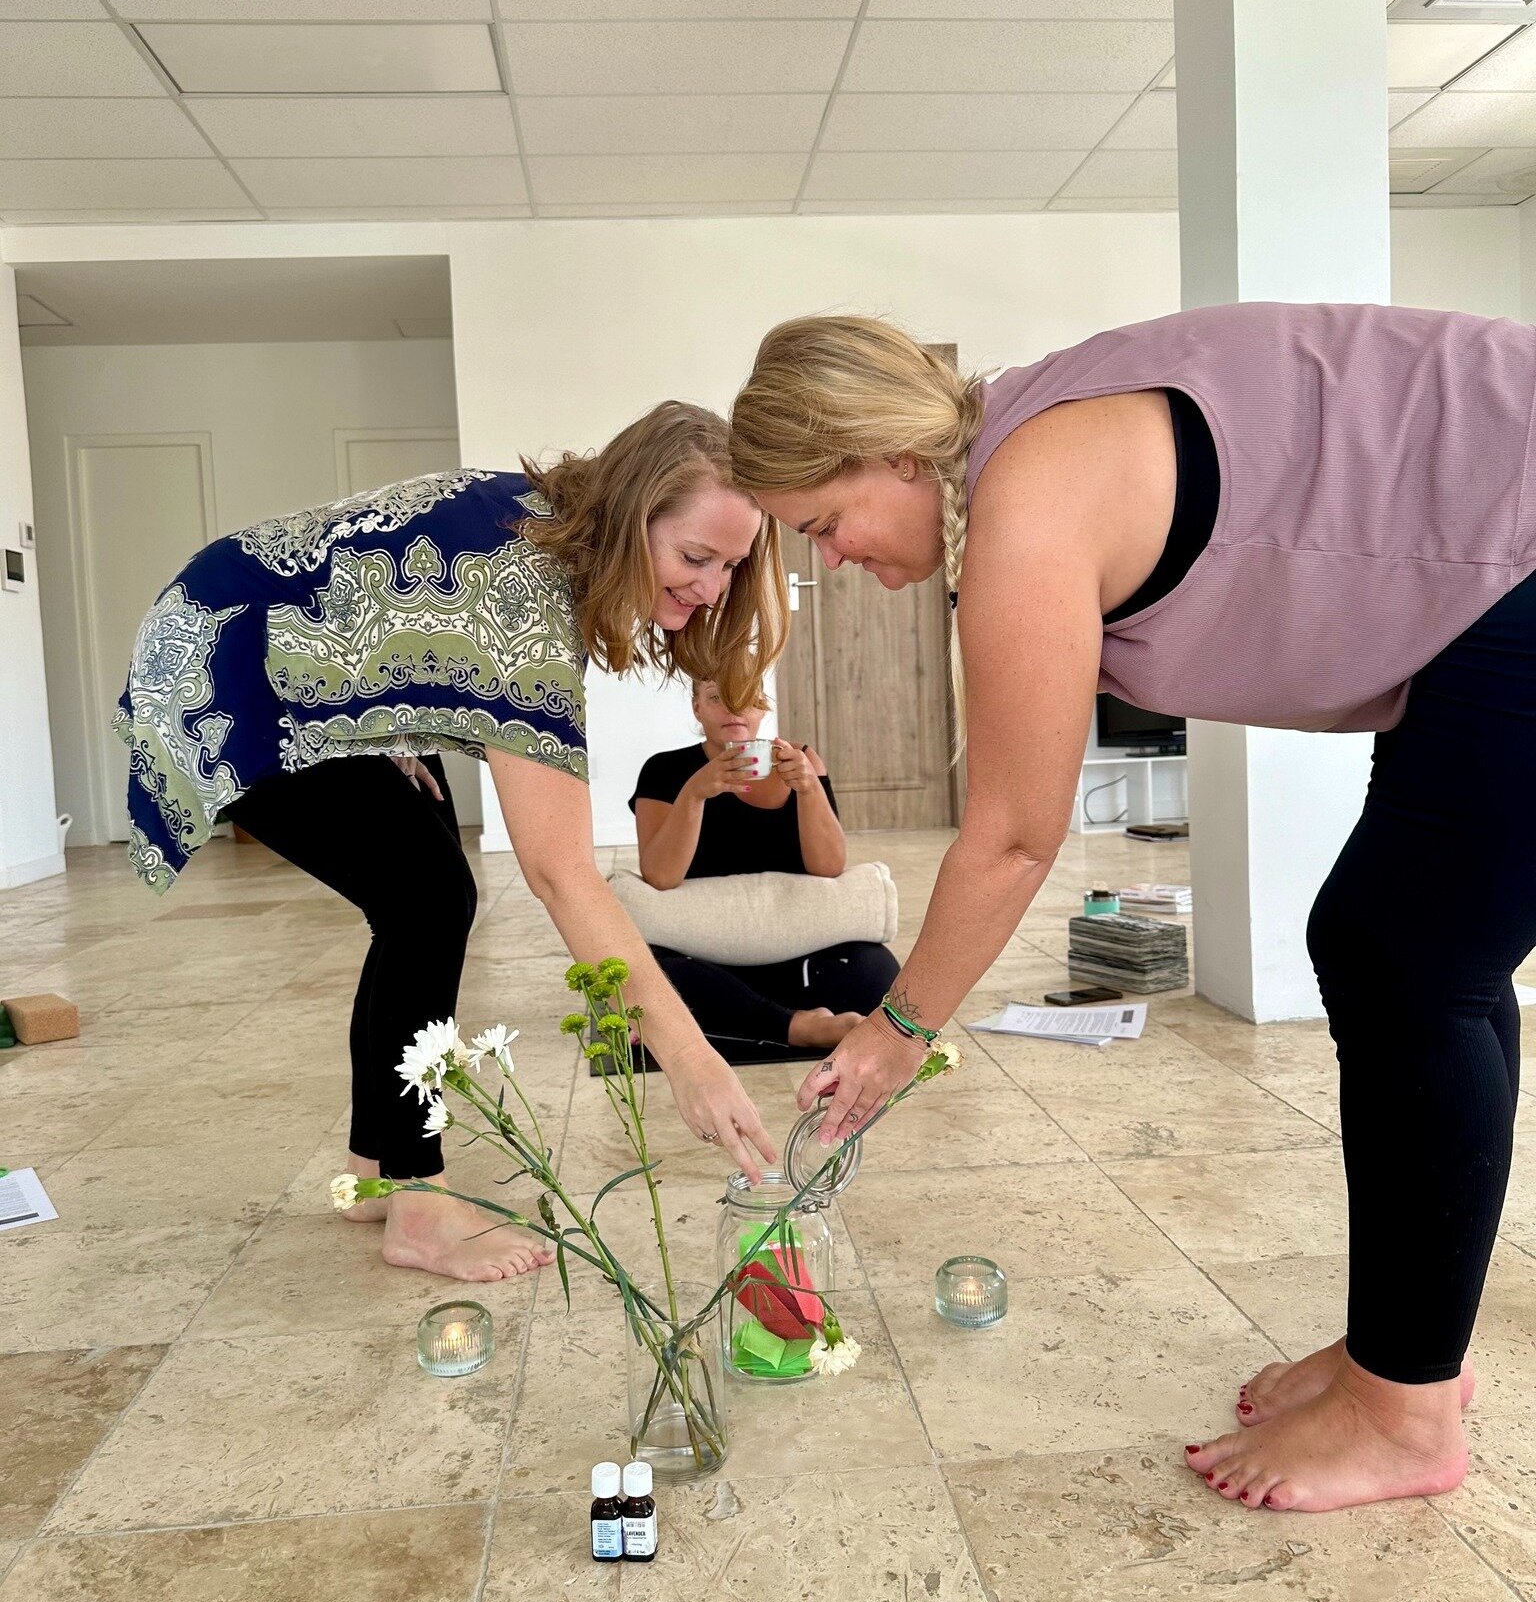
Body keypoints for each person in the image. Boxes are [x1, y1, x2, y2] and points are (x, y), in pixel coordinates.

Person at [728, 303, 1536, 1515]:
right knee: (1415, 952)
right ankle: (1405, 1357)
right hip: (1482, 571)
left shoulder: (1027, 500)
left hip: (1514, 549)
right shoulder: (1031, 433)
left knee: (1407, 959)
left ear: (893, 453)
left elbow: (1011, 835)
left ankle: (1405, 1409)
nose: (833, 559)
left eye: (826, 524)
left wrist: (895, 1034)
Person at [118, 403, 783, 1282]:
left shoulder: (551, 531)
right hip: (223, 661)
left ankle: (376, 1168)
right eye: (695, 557)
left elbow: (375, 572)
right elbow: (560, 871)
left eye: (731, 566)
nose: (711, 588)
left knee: (421, 893)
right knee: (428, 897)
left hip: (304, 669)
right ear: (628, 514)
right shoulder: (526, 586)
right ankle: (419, 1201)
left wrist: (382, 726)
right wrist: (692, 1060)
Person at [629, 677, 899, 1063]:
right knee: (648, 977)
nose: (733, 710)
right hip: (706, 957)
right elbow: (660, 877)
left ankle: (755, 1021)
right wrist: (695, 793)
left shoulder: (800, 758)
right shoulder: (664, 770)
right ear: (697, 709)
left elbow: (828, 868)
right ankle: (796, 1028)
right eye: (717, 697)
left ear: (762, 708)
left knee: (876, 972)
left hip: (799, 950)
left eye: (746, 698)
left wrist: (809, 789)